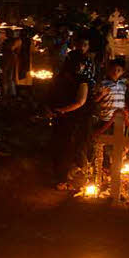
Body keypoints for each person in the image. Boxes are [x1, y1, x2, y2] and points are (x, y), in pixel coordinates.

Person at [48, 35, 95, 188]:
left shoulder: (83, 80)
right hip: (63, 118)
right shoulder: (62, 78)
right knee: (62, 147)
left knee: (74, 147)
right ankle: (62, 177)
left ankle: (74, 176)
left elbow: (80, 101)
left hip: (76, 119)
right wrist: (52, 109)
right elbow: (52, 93)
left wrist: (61, 110)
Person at [93, 57, 127, 128]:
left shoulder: (123, 85)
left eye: (118, 70)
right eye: (113, 69)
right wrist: (101, 94)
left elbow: (122, 100)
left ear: (122, 72)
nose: (115, 72)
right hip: (105, 119)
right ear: (109, 70)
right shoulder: (103, 84)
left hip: (118, 119)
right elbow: (95, 99)